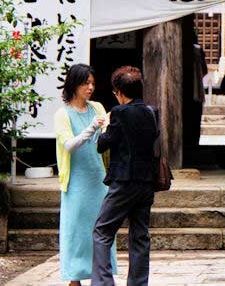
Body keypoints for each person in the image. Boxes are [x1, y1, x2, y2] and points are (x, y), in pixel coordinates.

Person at [91, 66, 158, 286]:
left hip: (124, 181)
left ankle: (103, 283)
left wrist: (106, 126)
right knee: (140, 235)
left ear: (119, 91)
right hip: (147, 182)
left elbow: (103, 145)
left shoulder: (119, 113)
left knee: (102, 230)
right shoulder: (151, 111)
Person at [54, 63, 117, 286]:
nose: (90, 87)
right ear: (73, 85)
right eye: (85, 83)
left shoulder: (97, 107)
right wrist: (91, 128)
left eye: (92, 83)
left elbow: (107, 135)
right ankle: (74, 278)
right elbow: (69, 145)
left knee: (100, 228)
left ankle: (100, 275)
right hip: (76, 180)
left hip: (98, 176)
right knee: (76, 231)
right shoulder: (63, 114)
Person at [184, 28, 208, 148]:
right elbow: (204, 70)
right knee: (195, 120)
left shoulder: (181, 49)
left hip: (183, 91)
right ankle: (195, 144)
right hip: (197, 89)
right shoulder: (198, 50)